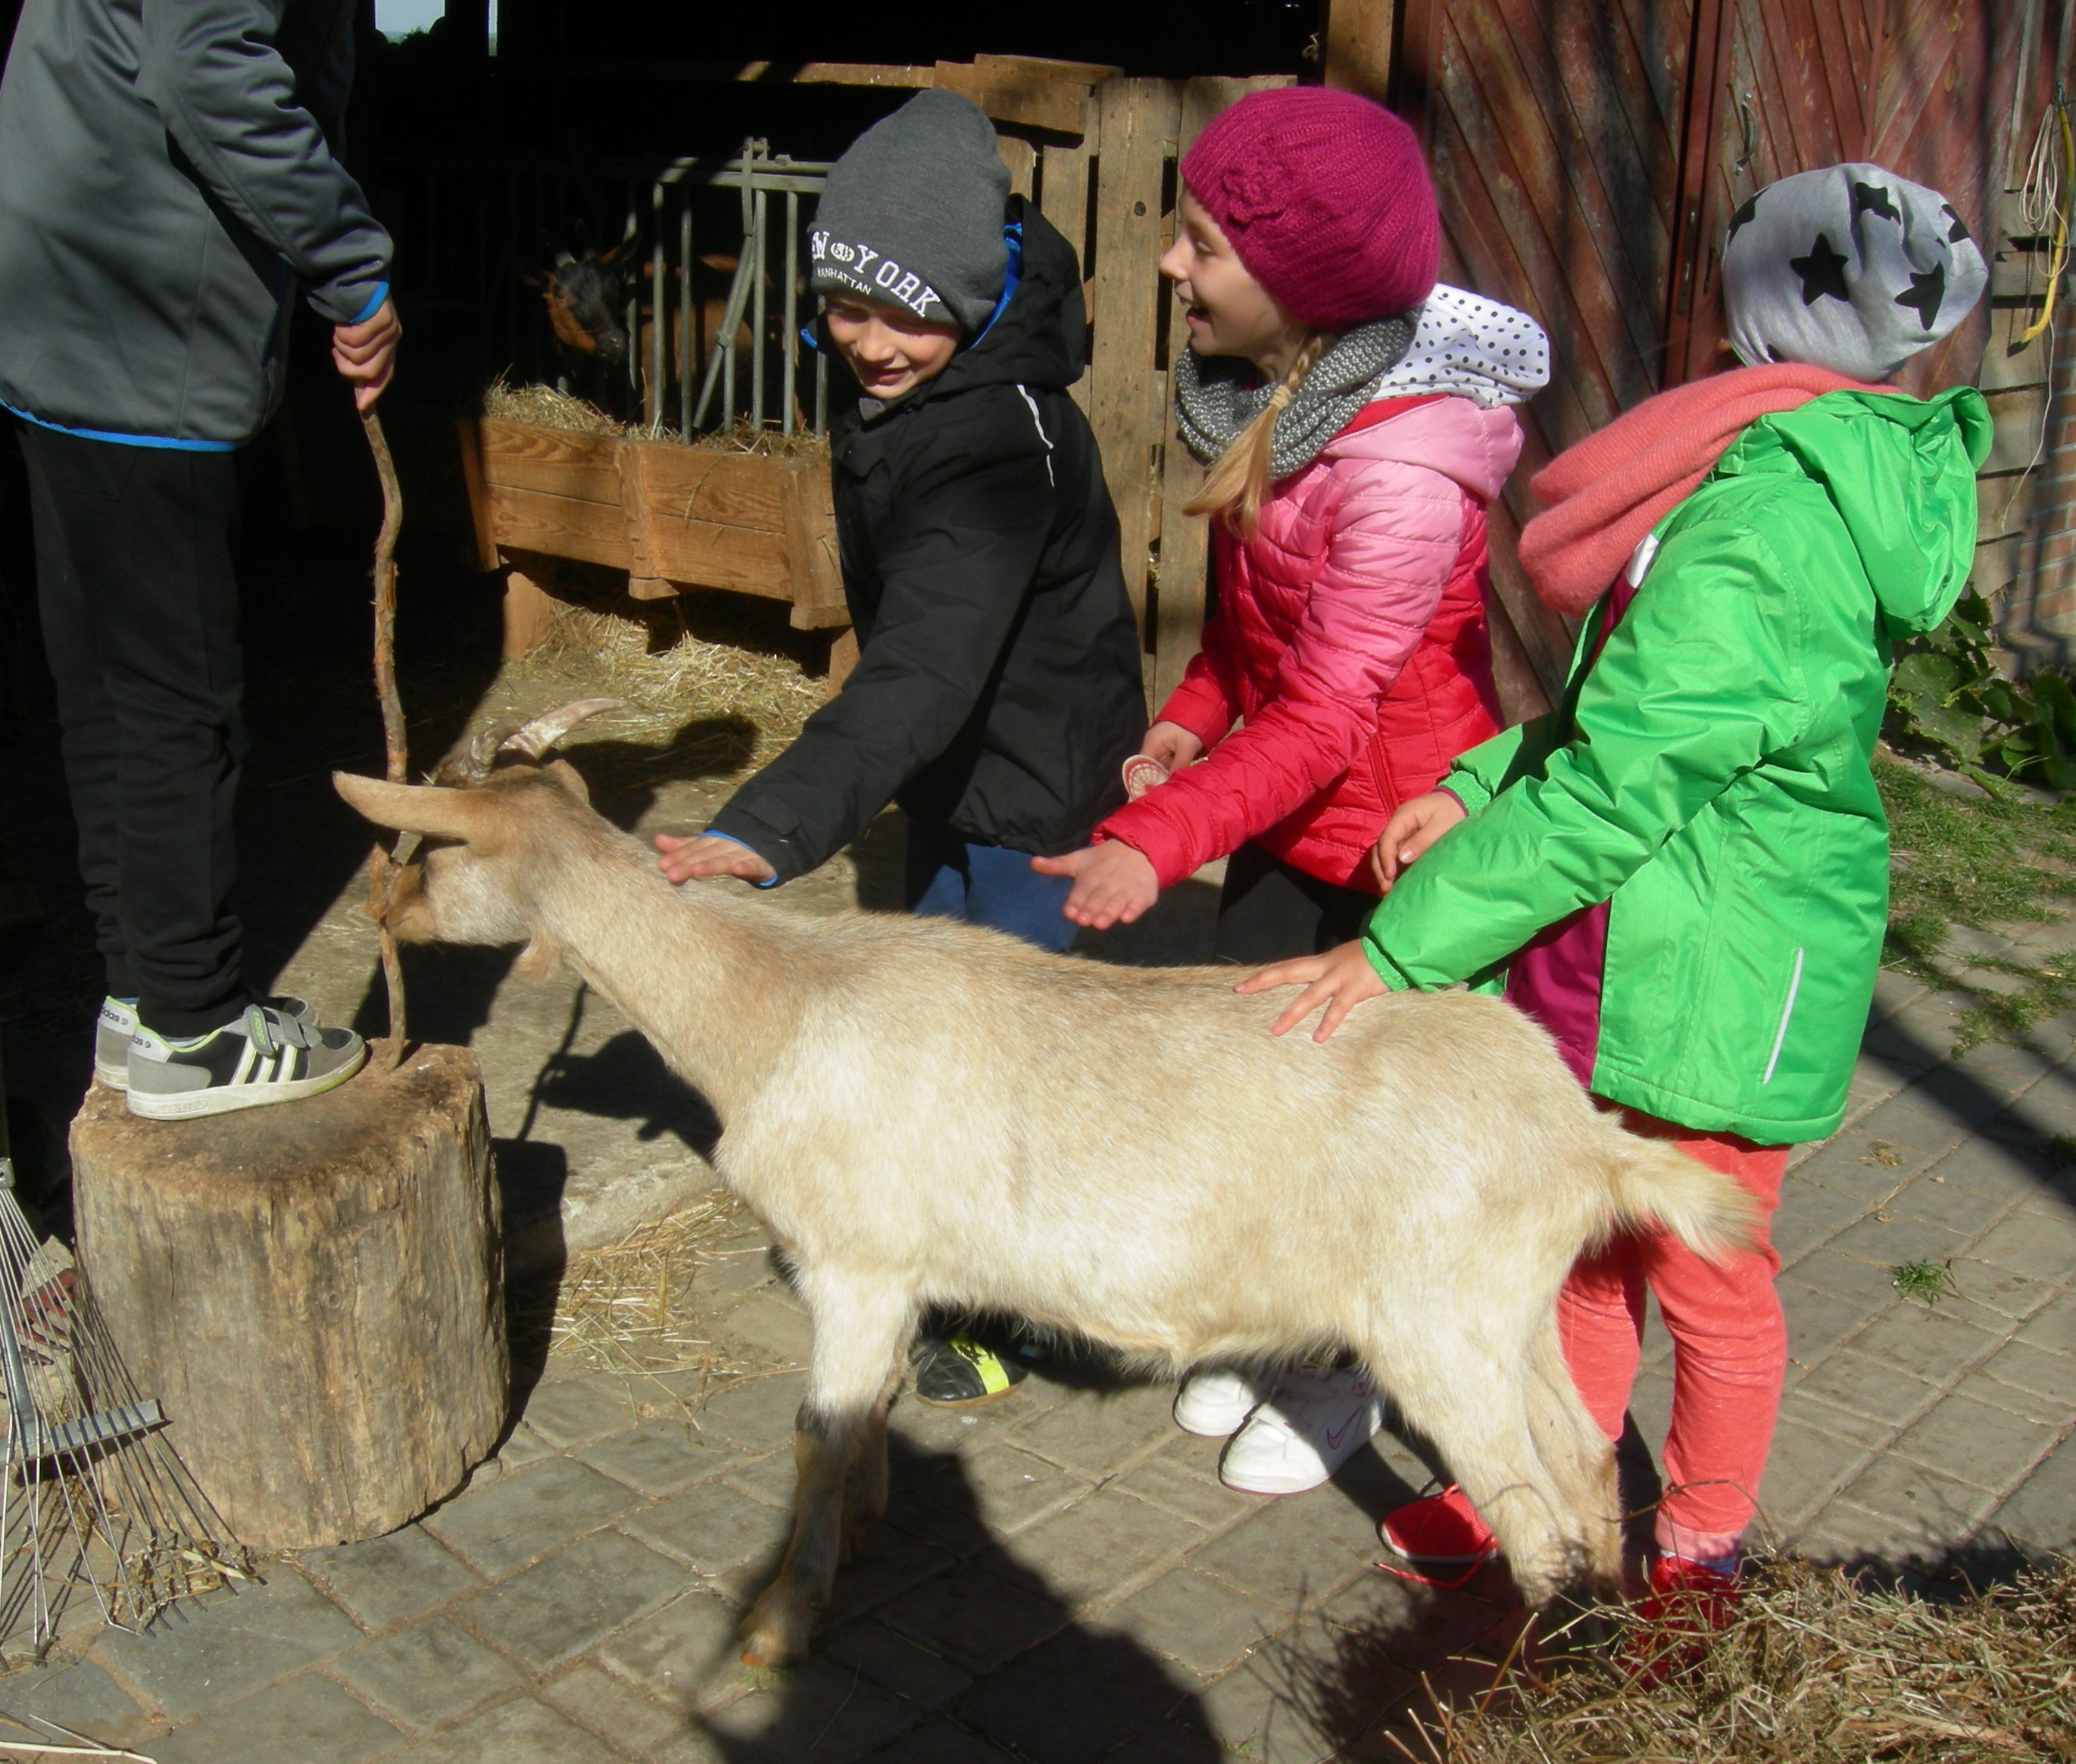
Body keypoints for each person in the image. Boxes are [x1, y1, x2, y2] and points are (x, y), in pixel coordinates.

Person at [1240, 164, 1990, 1605]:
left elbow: (1623, 785)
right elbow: (1619, 725)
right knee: (1582, 1241)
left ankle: (1697, 1551)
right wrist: (1475, 787)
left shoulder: (1767, 524)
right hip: (1631, 941)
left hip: (1717, 969)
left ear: (1759, 308)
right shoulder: (1742, 472)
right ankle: (1547, 1487)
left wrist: (1392, 956)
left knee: (1706, 1275)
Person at [1032, 87, 1548, 1495]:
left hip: (1389, 850)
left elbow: (1327, 716)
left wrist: (1151, 843)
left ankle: (1343, 1366)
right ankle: (1279, 1320)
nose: (1169, 262)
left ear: (1305, 282)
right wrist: (1185, 726)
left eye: (1203, 243)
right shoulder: (1282, 406)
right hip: (1287, 817)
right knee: (1256, 1096)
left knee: (1357, 1130)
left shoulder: (1402, 477)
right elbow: (1252, 648)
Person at [652, 89, 1147, 1403]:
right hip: (954, 767)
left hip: (1040, 782)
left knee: (1027, 1064)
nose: (869, 341)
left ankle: (1031, 1309)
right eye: (843, 307)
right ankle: (948, 1250)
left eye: (905, 312)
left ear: (972, 297)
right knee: (940, 1036)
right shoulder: (913, 391)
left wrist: (769, 827)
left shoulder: (1002, 443)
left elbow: (925, 663)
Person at [0, 0, 398, 1119]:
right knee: (178, 702)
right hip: (139, 326)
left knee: (107, 686)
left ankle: (141, 997)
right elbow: (206, 65)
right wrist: (349, 263)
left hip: (53, 302)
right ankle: (192, 1027)